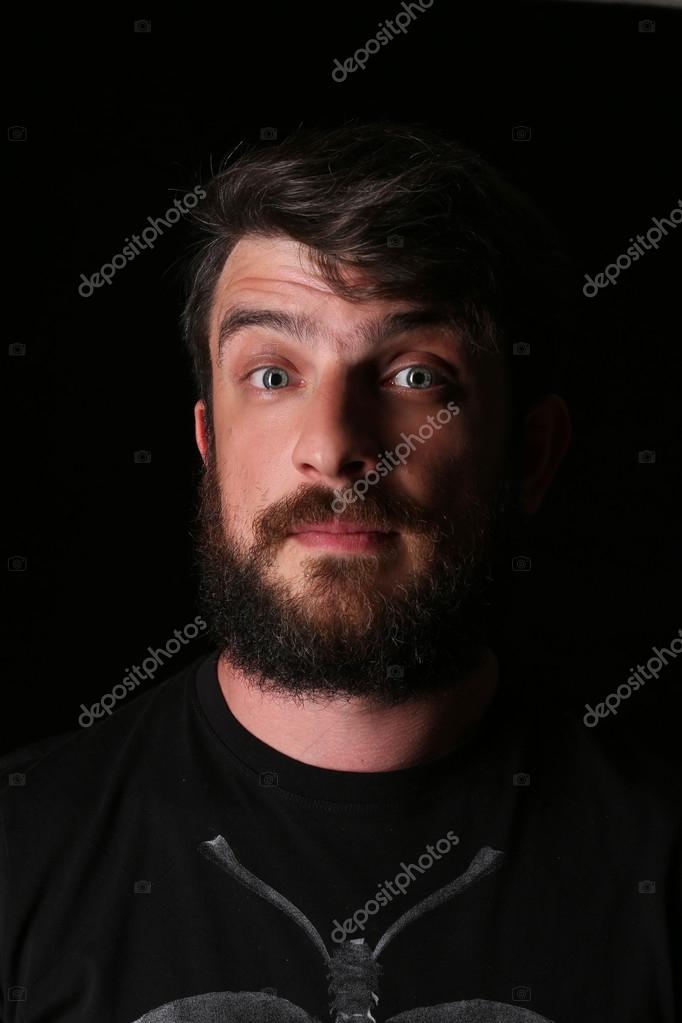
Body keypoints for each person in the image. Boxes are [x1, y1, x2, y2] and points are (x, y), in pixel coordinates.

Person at [1, 121, 678, 1023]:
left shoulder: (662, 865)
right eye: (274, 374)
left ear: (532, 454)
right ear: (209, 445)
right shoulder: (16, 849)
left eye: (412, 374)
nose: (332, 446)